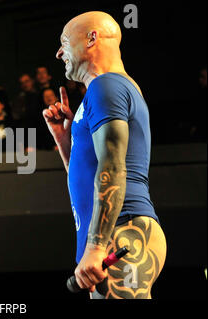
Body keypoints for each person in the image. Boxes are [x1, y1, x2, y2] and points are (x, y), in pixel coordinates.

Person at [43, 11, 166, 299]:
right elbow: (88, 174)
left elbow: (113, 166)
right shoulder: (107, 89)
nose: (59, 52)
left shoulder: (105, 85)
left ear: (92, 38)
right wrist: (66, 141)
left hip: (123, 231)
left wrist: (97, 247)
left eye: (64, 42)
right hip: (119, 231)